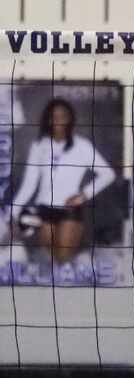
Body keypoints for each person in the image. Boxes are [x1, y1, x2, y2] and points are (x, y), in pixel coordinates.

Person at [11, 97, 116, 263]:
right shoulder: (38, 146)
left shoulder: (82, 146)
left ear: (70, 118)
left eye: (63, 115)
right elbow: (29, 184)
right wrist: (13, 213)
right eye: (54, 116)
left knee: (63, 260)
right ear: (48, 119)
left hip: (69, 211)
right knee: (51, 262)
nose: (58, 120)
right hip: (43, 210)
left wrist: (83, 195)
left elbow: (108, 174)